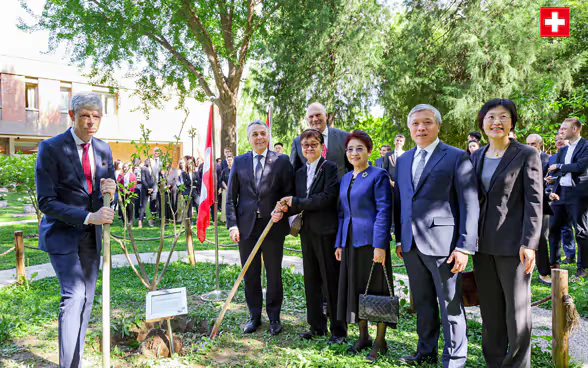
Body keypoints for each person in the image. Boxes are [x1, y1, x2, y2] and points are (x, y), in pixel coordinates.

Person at [35, 91, 116, 368]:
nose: (91, 122)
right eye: (85, 116)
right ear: (72, 116)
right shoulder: (51, 148)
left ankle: (76, 361)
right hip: (61, 234)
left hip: (92, 239)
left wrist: (111, 192)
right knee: (75, 295)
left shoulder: (104, 149)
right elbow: (46, 201)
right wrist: (87, 217)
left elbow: (107, 193)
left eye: (96, 116)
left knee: (88, 300)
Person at [394, 104, 479, 368]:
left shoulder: (456, 156)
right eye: (416, 123)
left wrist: (464, 246)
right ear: (409, 128)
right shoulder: (404, 158)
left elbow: (469, 203)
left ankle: (454, 358)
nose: (421, 128)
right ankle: (425, 351)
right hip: (410, 244)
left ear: (438, 126)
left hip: (444, 245)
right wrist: (399, 238)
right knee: (422, 302)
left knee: (450, 305)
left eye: (427, 122)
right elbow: (401, 200)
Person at [470, 98, 542, 368]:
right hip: (482, 245)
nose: (496, 122)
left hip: (514, 246)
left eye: (503, 117)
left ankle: (518, 364)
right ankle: (494, 362)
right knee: (490, 312)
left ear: (512, 122)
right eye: (490, 117)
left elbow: (535, 201)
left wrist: (530, 243)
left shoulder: (526, 154)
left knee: (517, 313)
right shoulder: (476, 156)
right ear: (482, 123)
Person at [274, 129, 346, 345]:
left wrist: (296, 202)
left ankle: (339, 330)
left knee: (330, 281)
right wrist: (283, 206)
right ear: (301, 148)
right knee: (311, 280)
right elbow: (294, 200)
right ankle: (316, 326)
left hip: (326, 231)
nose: (309, 148)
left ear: (322, 146)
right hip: (307, 232)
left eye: (313, 144)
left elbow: (326, 198)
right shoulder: (299, 173)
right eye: (305, 145)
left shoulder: (330, 168)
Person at [226, 120, 295, 335]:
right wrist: (233, 225)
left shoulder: (281, 161)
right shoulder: (239, 162)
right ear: (249, 138)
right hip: (247, 228)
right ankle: (254, 317)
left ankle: (274, 317)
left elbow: (289, 193)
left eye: (263, 133)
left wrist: (282, 209)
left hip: (273, 226)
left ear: (268, 136)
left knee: (274, 273)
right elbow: (231, 197)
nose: (259, 137)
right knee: (251, 274)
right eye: (255, 134)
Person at [334, 130, 393, 363]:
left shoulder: (378, 175)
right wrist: (339, 242)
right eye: (350, 148)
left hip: (371, 243)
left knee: (376, 291)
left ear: (369, 151)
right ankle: (363, 337)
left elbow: (383, 211)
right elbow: (341, 214)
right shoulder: (346, 178)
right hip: (349, 242)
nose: (354, 152)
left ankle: (380, 341)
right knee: (356, 289)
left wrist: (380, 245)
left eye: (359, 148)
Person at [548, 117, 588, 278]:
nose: (561, 131)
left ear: (575, 129)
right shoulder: (563, 150)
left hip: (578, 193)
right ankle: (554, 263)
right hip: (560, 192)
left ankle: (583, 267)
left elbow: (580, 167)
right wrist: (552, 178)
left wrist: (559, 167)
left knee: (581, 230)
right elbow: (555, 170)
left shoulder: (586, 146)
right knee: (553, 228)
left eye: (565, 128)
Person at [290, 102, 352, 179]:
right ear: (307, 119)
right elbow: (294, 172)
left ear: (326, 116)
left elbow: (352, 168)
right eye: (311, 117)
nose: (315, 119)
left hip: (338, 189)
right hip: (310, 190)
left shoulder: (344, 137)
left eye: (318, 115)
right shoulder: (297, 142)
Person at [526, 133, 553, 285]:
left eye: (533, 144)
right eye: (528, 144)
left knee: (541, 237)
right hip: (523, 202)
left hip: (542, 202)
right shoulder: (521, 158)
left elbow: (552, 181)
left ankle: (544, 272)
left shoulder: (548, 160)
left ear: (540, 144)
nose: (530, 147)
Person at [548, 132, 576, 265]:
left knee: (574, 228)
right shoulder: (552, 157)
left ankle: (573, 256)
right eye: (556, 140)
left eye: (561, 139)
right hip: (557, 194)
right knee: (557, 227)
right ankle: (556, 259)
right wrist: (548, 179)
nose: (558, 141)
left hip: (574, 194)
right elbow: (549, 173)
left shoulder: (575, 155)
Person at [140, 158, 155, 227]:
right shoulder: (143, 168)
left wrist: (152, 188)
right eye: (148, 161)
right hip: (145, 189)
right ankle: (140, 221)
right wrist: (148, 188)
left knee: (152, 206)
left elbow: (155, 179)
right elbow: (143, 179)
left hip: (152, 189)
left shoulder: (153, 169)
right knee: (143, 205)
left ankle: (151, 221)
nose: (149, 162)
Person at [220, 155, 233, 222]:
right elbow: (222, 180)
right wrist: (226, 188)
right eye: (228, 160)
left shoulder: (235, 169)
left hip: (234, 190)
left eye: (230, 160)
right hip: (226, 190)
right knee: (224, 204)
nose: (229, 161)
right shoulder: (224, 170)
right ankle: (224, 219)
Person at [132, 158, 143, 225]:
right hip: (136, 184)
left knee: (141, 200)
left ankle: (141, 213)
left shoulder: (141, 168)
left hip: (141, 184)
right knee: (137, 200)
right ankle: (136, 214)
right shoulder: (133, 168)